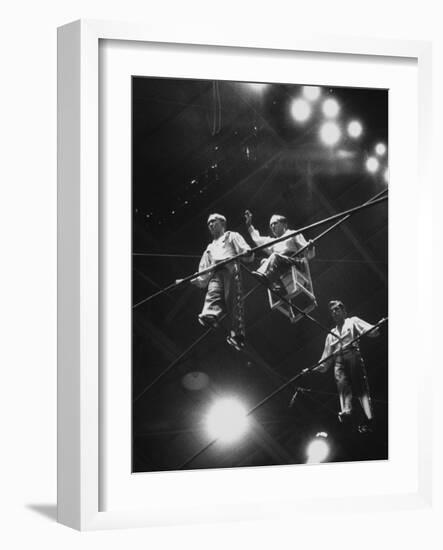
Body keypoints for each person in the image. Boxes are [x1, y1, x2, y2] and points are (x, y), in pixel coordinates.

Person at [191, 213, 253, 351]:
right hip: (215, 273)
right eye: (208, 223)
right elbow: (204, 272)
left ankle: (237, 335)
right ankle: (211, 315)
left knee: (233, 300)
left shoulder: (231, 236)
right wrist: (198, 279)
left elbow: (245, 250)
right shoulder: (209, 248)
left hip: (230, 267)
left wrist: (247, 253)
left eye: (213, 221)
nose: (210, 225)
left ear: (222, 224)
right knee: (212, 293)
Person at [316, 300, 380, 433]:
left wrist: (375, 328)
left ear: (344, 311)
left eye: (337, 310)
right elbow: (326, 358)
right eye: (332, 311)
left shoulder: (352, 321)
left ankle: (368, 416)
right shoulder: (330, 335)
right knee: (342, 386)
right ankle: (346, 410)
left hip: (351, 354)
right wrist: (316, 368)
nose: (334, 312)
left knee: (360, 386)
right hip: (338, 361)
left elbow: (368, 329)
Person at [244, 210, 315, 293]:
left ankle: (265, 277)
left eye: (275, 223)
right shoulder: (273, 241)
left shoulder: (293, 233)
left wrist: (310, 248)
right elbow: (258, 239)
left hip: (294, 261)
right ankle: (276, 286)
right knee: (264, 261)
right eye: (271, 225)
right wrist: (249, 225)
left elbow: (307, 253)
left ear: (284, 224)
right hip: (281, 265)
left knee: (275, 256)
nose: (273, 226)